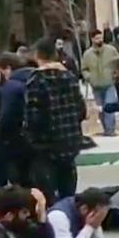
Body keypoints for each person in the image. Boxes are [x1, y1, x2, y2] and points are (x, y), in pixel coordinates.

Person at [24, 38, 87, 204]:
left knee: (46, 192)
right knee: (68, 188)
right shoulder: (70, 77)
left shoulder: (36, 80)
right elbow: (81, 109)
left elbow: (33, 115)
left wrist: (30, 137)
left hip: (46, 144)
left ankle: (51, 221)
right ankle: (68, 218)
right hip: (69, 140)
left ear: (37, 56)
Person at [0, 51, 34, 188]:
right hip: (37, 138)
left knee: (18, 181)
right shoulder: (35, 78)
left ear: (6, 69)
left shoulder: (11, 86)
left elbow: (7, 116)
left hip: (14, 140)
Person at [81, 29, 119, 135]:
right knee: (100, 109)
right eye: (97, 38)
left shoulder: (111, 50)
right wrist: (89, 77)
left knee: (109, 106)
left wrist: (116, 74)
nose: (99, 40)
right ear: (92, 39)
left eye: (101, 37)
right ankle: (105, 128)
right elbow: (84, 69)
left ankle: (110, 130)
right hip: (96, 85)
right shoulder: (87, 54)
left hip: (109, 83)